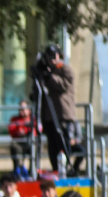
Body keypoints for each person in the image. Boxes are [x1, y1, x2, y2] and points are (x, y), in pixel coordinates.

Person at [31, 44, 76, 176]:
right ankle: (55, 169)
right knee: (52, 145)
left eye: (53, 56)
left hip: (62, 114)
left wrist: (50, 76)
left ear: (58, 56)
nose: (51, 59)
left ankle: (65, 168)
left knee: (62, 142)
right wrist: (38, 75)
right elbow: (39, 91)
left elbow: (64, 86)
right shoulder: (47, 70)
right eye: (48, 57)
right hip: (48, 115)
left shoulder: (65, 69)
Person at [7, 100, 37, 176]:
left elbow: (36, 131)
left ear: (29, 110)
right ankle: (17, 170)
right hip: (19, 142)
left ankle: (33, 171)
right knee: (14, 146)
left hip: (29, 142)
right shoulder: (15, 119)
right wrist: (18, 132)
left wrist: (26, 131)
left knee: (35, 147)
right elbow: (11, 130)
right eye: (20, 109)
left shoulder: (33, 119)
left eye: (23, 109)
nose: (21, 112)